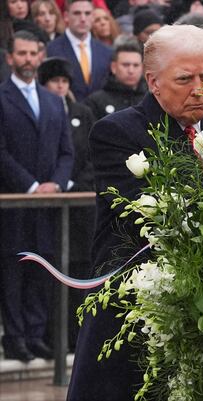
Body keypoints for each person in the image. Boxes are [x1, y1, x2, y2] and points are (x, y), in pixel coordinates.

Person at [67, 24, 203, 401]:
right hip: (134, 308)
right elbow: (148, 212)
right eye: (185, 79)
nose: (200, 89)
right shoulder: (118, 132)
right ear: (153, 82)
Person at [0, 30, 74, 362]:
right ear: (10, 58)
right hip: (14, 203)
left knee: (42, 269)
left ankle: (36, 333)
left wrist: (55, 184)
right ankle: (15, 337)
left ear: (40, 56)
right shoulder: (1, 98)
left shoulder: (53, 100)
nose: (28, 59)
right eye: (22, 54)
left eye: (33, 54)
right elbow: (1, 152)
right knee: (13, 269)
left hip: (48, 204)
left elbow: (66, 152)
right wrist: (31, 185)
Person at [37, 56, 96, 350]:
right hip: (47, 206)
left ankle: (77, 337)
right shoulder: (42, 114)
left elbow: (89, 157)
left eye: (64, 82)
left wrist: (70, 184)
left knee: (79, 272)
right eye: (54, 82)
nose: (59, 87)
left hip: (79, 209)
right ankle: (51, 337)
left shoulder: (82, 113)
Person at [46, 0, 113, 101]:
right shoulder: (51, 50)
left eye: (87, 13)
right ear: (66, 16)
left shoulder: (106, 52)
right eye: (77, 13)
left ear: (93, 16)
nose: (83, 19)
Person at [84, 41, 146, 120]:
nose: (131, 70)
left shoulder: (150, 99)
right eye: (125, 65)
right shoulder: (95, 102)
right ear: (113, 67)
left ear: (142, 68)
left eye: (136, 65)